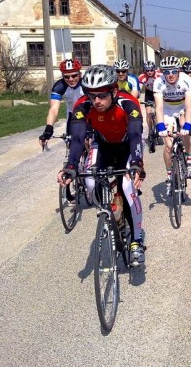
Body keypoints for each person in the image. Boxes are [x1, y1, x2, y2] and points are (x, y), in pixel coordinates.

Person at [57, 64, 146, 266]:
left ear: (114, 91)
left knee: (126, 187)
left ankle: (137, 240)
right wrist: (71, 166)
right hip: (103, 144)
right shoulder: (83, 105)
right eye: (91, 95)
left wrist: (137, 163)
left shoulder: (128, 102)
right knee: (89, 183)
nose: (96, 101)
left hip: (126, 146)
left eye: (102, 95)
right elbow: (78, 139)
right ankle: (111, 214)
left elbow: (135, 134)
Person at [152, 56, 191, 196]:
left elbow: (189, 107)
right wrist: (160, 128)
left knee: (186, 129)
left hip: (183, 108)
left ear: (178, 70)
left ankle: (189, 161)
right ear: (162, 73)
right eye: (166, 72)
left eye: (173, 71)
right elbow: (158, 108)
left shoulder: (187, 80)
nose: (170, 75)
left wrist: (188, 125)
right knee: (169, 145)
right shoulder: (158, 82)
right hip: (167, 110)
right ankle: (170, 176)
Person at [39, 58, 84, 147]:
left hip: (89, 113)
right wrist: (49, 128)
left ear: (80, 74)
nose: (71, 79)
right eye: (66, 77)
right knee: (70, 141)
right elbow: (54, 109)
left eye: (74, 76)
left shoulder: (86, 83)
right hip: (73, 114)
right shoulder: (59, 86)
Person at [138, 60, 162, 152]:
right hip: (149, 94)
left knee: (157, 111)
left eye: (151, 70)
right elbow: (139, 89)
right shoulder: (142, 77)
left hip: (158, 93)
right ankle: (150, 131)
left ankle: (159, 128)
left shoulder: (159, 75)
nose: (149, 72)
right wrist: (137, 97)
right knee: (148, 112)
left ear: (154, 69)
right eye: (147, 71)